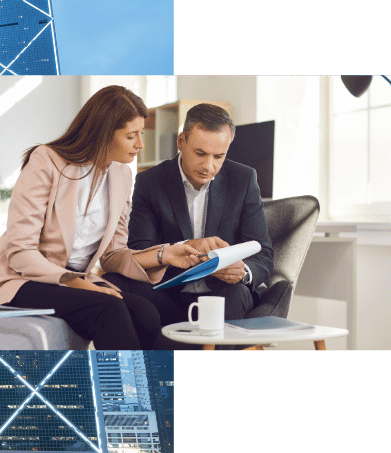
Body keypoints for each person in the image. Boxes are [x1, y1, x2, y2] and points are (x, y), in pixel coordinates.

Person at [0, 85, 203, 350]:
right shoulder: (46, 161)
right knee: (109, 308)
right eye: (131, 136)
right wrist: (80, 284)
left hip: (71, 281)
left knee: (145, 312)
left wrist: (165, 254)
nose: (140, 144)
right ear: (104, 134)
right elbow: (20, 252)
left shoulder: (121, 175)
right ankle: (124, 389)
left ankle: (162, 383)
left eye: (141, 133)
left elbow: (114, 254)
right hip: (19, 278)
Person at [105, 103, 274, 338]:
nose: (209, 166)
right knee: (115, 282)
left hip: (223, 296)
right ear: (181, 141)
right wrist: (183, 249)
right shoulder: (150, 182)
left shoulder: (243, 179)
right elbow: (139, 249)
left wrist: (243, 271)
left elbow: (263, 252)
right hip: (169, 294)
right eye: (200, 153)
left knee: (237, 294)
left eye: (219, 156)